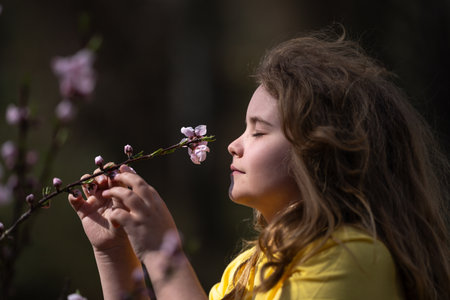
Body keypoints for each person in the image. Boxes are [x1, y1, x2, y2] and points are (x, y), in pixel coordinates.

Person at [68, 29, 450, 300]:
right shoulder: (246, 268)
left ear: (320, 152)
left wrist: (159, 250)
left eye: (258, 131)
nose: (233, 145)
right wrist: (116, 253)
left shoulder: (353, 257)